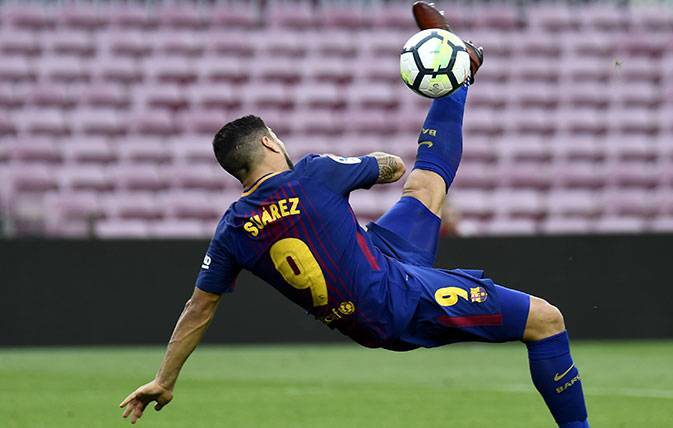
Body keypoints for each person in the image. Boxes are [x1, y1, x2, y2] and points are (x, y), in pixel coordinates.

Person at [120, 3, 589, 427]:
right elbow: (393, 166)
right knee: (545, 319)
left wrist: (164, 379)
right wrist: (366, 163)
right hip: (397, 299)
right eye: (276, 136)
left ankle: (460, 68)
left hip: (375, 276)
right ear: (268, 142)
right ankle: (457, 70)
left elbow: (198, 308)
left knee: (426, 189)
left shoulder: (232, 230)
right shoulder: (312, 174)